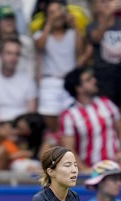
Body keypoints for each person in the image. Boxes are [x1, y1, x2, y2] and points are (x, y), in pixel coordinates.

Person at [86, 0, 121, 152]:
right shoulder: (92, 25)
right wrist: (105, 18)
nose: (107, 4)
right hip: (104, 77)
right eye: (103, 2)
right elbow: (96, 38)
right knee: (107, 120)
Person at [60, 66, 121, 170]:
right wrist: (84, 170)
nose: (94, 80)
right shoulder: (69, 115)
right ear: (79, 88)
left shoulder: (107, 103)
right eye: (88, 80)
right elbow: (68, 148)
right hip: (90, 169)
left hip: (115, 167)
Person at [34, 0, 84, 132]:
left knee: (74, 122)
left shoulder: (72, 33)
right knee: (51, 124)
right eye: (52, 12)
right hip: (50, 82)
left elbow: (80, 51)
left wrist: (75, 26)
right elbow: (40, 46)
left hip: (70, 83)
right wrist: (49, 24)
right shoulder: (39, 34)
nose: (57, 15)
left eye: (59, 11)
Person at [0, 37, 38, 124]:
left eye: (17, 54)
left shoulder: (28, 81)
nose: (13, 58)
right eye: (9, 53)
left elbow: (31, 114)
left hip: (21, 127)